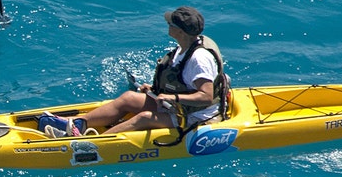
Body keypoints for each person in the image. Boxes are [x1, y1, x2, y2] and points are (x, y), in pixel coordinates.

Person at [42, 7, 227, 137]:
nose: (168, 25)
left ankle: (92, 142)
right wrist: (156, 90)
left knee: (144, 118)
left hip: (195, 117)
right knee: (129, 98)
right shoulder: (183, 47)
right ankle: (78, 124)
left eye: (171, 24)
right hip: (177, 108)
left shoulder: (199, 59)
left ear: (180, 32)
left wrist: (173, 98)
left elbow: (206, 96)